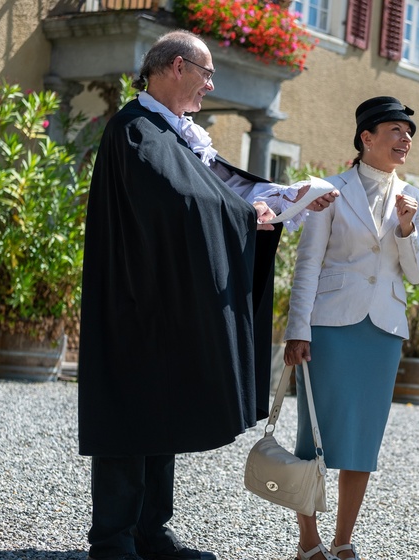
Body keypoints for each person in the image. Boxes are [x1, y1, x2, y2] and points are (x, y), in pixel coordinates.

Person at [78, 30, 335, 560]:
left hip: (166, 303)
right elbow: (177, 200)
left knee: (161, 412)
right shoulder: (134, 129)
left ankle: (150, 530)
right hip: (135, 302)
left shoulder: (175, 134)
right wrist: (249, 217)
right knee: (131, 416)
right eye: (206, 72)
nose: (211, 84)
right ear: (176, 67)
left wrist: (282, 200)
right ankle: (113, 540)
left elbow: (217, 186)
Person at [282, 96, 419, 560]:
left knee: (364, 438)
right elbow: (308, 263)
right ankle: (309, 541)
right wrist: (296, 329)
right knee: (315, 435)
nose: (405, 139)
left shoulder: (415, 198)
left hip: (383, 332)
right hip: (329, 326)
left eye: (409, 133)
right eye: (395, 130)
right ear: (366, 137)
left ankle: (343, 541)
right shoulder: (329, 189)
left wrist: (407, 229)